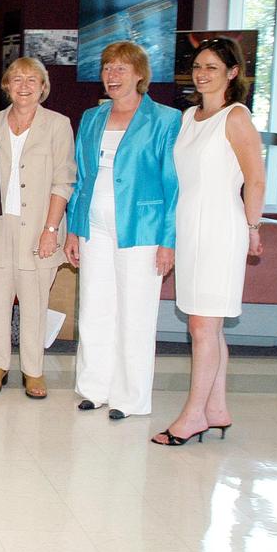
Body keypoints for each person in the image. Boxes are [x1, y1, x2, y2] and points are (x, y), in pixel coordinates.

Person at [153, 38, 265, 446]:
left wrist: (253, 229)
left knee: (202, 325)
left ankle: (193, 415)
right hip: (190, 228)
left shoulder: (236, 117)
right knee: (209, 326)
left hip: (221, 228)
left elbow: (255, 178)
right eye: (198, 66)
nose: (202, 74)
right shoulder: (189, 117)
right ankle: (217, 408)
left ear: (232, 73)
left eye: (212, 67)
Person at [65, 41, 180, 421]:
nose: (112, 76)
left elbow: (173, 184)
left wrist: (168, 240)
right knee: (94, 308)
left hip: (141, 230)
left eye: (120, 69)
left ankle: (129, 399)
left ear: (140, 75)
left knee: (135, 314)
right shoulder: (92, 117)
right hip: (93, 226)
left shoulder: (165, 120)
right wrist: (73, 229)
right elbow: (81, 178)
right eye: (107, 69)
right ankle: (95, 388)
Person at [0, 57, 75, 399]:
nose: (24, 86)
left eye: (31, 80)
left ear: (43, 86)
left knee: (35, 301)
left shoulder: (58, 125)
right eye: (17, 79)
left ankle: (33, 370)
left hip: (39, 227)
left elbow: (64, 180)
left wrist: (51, 229)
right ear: (6, 85)